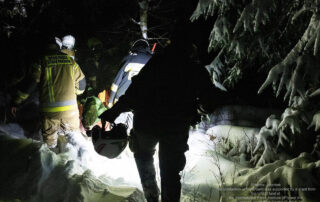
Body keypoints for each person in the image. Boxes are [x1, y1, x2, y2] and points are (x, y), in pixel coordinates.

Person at [98, 21, 227, 202]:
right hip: (175, 128)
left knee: (143, 156)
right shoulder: (195, 70)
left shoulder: (155, 64)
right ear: (191, 45)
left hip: (146, 124)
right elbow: (209, 102)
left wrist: (113, 112)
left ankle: (151, 196)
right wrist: (197, 109)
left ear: (171, 42)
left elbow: (134, 93)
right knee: (170, 172)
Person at [11, 35, 86, 152]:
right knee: (74, 139)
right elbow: (82, 85)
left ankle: (53, 163)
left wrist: (16, 101)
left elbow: (31, 84)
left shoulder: (42, 61)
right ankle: (82, 161)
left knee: (50, 145)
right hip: (70, 112)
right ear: (58, 47)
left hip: (50, 115)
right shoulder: (70, 61)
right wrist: (75, 92)